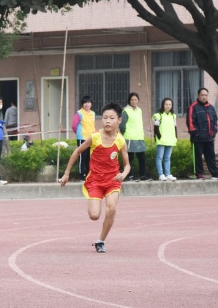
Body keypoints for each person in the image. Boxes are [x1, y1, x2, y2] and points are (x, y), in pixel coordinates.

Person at [60, 103, 130, 253]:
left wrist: (123, 174)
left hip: (112, 181)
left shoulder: (120, 141)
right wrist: (66, 173)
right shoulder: (95, 137)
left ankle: (101, 241)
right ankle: (95, 204)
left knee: (111, 208)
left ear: (119, 120)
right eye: (105, 118)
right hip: (95, 181)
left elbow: (127, 165)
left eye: (111, 118)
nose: (107, 121)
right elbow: (77, 152)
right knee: (94, 215)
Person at [186, 88, 218, 181]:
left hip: (209, 137)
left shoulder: (211, 107)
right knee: (198, 156)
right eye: (202, 95)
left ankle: (215, 173)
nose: (204, 97)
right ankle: (199, 173)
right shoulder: (193, 106)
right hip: (197, 137)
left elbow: (214, 121)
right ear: (198, 96)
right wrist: (195, 133)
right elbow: (190, 122)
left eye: (206, 95)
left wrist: (214, 131)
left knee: (211, 156)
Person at [119, 92, 150, 181]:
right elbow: (122, 125)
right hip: (130, 137)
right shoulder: (125, 111)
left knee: (142, 158)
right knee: (130, 158)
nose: (134, 101)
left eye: (136, 100)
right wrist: (125, 133)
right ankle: (130, 176)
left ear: (138, 100)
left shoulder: (139, 110)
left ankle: (143, 175)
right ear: (129, 101)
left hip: (139, 137)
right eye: (132, 100)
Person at [71, 96, 96, 181]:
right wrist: (78, 134)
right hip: (82, 138)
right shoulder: (79, 113)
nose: (87, 104)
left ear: (91, 104)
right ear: (82, 104)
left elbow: (92, 125)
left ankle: (89, 174)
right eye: (85, 103)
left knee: (89, 157)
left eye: (88, 102)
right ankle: (82, 175)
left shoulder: (93, 113)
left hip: (91, 138)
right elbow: (74, 125)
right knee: (82, 157)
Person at [153, 98, 178, 181]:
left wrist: (175, 137)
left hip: (170, 140)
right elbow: (156, 128)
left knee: (167, 158)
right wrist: (159, 137)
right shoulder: (158, 115)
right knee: (159, 157)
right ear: (163, 105)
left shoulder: (173, 116)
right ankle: (161, 174)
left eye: (170, 104)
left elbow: (175, 128)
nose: (168, 106)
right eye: (166, 104)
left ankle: (168, 174)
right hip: (161, 140)